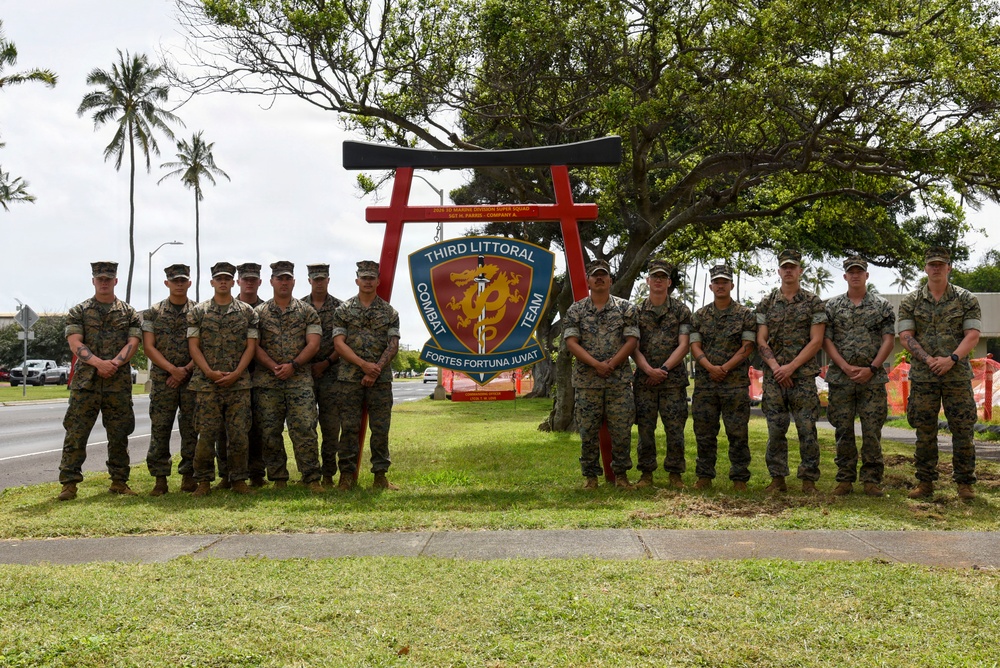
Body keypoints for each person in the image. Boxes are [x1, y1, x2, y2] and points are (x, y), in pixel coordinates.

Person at [897, 246, 982, 500]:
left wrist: (952, 359)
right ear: (925, 267)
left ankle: (965, 484)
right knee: (924, 431)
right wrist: (927, 359)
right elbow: (905, 336)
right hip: (924, 377)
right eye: (931, 264)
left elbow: (973, 335)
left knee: (963, 430)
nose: (936, 268)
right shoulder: (911, 301)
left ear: (949, 267)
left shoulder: (966, 299)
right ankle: (925, 483)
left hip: (956, 376)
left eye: (941, 264)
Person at [57, 261, 142, 501]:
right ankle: (69, 484)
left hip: (118, 383)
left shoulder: (129, 313)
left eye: (108, 279)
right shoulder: (80, 311)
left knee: (119, 434)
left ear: (115, 281)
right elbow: (75, 343)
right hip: (86, 384)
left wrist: (114, 363)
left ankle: (119, 481)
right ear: (93, 281)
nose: (104, 282)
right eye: (100, 278)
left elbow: (133, 343)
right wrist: (98, 363)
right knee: (76, 433)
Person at [823, 256, 895, 497]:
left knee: (872, 430)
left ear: (867, 275)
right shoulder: (832, 307)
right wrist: (843, 366)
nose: (855, 275)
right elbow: (827, 340)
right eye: (851, 272)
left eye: (859, 271)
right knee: (843, 429)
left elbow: (888, 339)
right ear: (845, 276)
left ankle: (871, 480)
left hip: (872, 378)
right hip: (841, 378)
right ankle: (844, 479)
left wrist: (872, 368)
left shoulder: (882, 306)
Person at [755, 249, 827, 494]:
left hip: (803, 377)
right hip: (775, 379)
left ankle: (809, 480)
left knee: (807, 429)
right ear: (778, 271)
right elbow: (761, 339)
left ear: (800, 271)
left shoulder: (813, 302)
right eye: (784, 267)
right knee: (776, 429)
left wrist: (791, 367)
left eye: (792, 267)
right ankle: (777, 479)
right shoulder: (766, 303)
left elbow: (816, 341)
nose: (788, 271)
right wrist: (777, 368)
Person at [563, 258, 639, 489]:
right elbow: (571, 342)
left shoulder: (626, 308)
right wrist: (597, 364)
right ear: (588, 280)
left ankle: (622, 476)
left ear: (610, 280)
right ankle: (591, 478)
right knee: (587, 431)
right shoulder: (576, 309)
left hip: (618, 382)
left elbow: (632, 340)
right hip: (587, 382)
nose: (599, 278)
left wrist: (612, 364)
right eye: (595, 275)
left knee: (622, 430)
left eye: (603, 275)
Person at [186, 262, 259, 496]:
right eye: (219, 279)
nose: (223, 282)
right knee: (206, 434)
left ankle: (238, 479)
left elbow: (251, 346)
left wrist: (238, 373)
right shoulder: (198, 312)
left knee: (239, 434)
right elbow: (193, 346)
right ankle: (204, 481)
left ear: (234, 281)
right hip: (207, 384)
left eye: (227, 278)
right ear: (212, 282)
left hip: (238, 384)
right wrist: (208, 371)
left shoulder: (248, 312)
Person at [254, 260, 324, 492]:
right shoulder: (258, 313)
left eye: (287, 278)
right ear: (272, 281)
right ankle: (278, 478)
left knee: (305, 428)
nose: (283, 282)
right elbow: (253, 345)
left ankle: (311, 477)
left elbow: (313, 344)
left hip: (300, 381)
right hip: (267, 382)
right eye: (279, 278)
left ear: (294, 282)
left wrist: (293, 365)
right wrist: (274, 366)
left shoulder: (307, 311)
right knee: (269, 431)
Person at [333, 260, 401, 490]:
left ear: (378, 281)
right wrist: (364, 365)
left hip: (380, 380)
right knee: (349, 427)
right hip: (349, 378)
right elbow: (338, 343)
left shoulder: (389, 312)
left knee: (380, 429)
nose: (368, 281)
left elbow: (393, 345)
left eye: (372, 278)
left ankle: (380, 475)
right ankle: (346, 476)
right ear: (357, 281)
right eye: (364, 277)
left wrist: (375, 370)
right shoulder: (343, 310)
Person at [689, 263, 757, 491]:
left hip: (735, 384)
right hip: (706, 385)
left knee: (737, 432)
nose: (720, 285)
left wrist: (724, 368)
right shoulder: (699, 316)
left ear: (731, 285)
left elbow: (747, 346)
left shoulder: (745, 314)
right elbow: (695, 346)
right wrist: (710, 367)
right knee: (705, 433)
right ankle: (704, 476)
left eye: (724, 282)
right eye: (717, 282)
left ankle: (739, 478)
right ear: (711, 286)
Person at [631, 259, 691, 489]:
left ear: (669, 282)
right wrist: (647, 369)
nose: (658, 280)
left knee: (674, 428)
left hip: (672, 381)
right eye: (654, 276)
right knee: (645, 428)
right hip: (644, 380)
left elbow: (684, 345)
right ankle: (646, 475)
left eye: (662, 277)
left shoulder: (681, 310)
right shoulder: (636, 311)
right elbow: (632, 345)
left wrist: (663, 369)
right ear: (647, 281)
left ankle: (675, 475)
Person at [142, 263, 198, 496]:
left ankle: (189, 476)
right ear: (167, 283)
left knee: (191, 429)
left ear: (189, 283)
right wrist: (171, 370)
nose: (179, 284)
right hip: (164, 380)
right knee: (161, 429)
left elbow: (203, 346)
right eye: (174, 281)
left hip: (192, 379)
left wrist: (184, 370)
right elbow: (148, 346)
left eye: (182, 280)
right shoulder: (152, 313)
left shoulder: (199, 311)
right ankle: (160, 478)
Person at [213, 262, 268, 488]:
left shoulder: (265, 309)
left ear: (259, 282)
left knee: (257, 428)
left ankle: (255, 473)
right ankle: (226, 475)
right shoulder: (224, 306)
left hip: (261, 377)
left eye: (253, 280)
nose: (249, 283)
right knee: (223, 430)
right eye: (246, 279)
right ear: (239, 282)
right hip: (230, 377)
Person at [301, 263, 343, 486]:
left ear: (328, 280)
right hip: (304, 374)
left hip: (331, 373)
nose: (319, 282)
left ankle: (328, 473)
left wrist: (326, 362)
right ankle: (309, 473)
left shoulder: (340, 308)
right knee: (305, 425)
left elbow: (344, 343)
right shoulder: (299, 307)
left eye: (322, 279)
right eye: (315, 279)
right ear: (309, 280)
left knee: (330, 426)